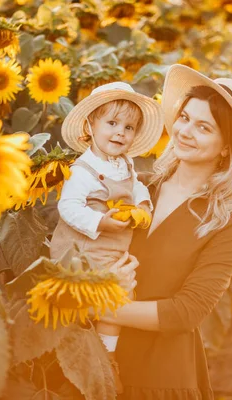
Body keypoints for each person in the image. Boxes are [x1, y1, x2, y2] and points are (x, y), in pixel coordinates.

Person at [101, 64, 232, 399]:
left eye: (204, 127)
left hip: (159, 373)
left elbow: (185, 313)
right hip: (94, 358)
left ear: (226, 147)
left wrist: (97, 307)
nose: (186, 131)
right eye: (185, 117)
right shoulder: (135, 187)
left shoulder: (228, 222)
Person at [50, 81, 164, 393]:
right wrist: (100, 222)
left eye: (129, 127)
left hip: (114, 251)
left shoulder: (125, 165)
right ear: (90, 126)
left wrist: (143, 205)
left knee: (116, 302)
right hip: (84, 250)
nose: (120, 133)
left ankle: (106, 356)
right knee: (82, 306)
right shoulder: (84, 170)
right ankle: (77, 366)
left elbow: (138, 188)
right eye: (111, 123)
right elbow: (68, 207)